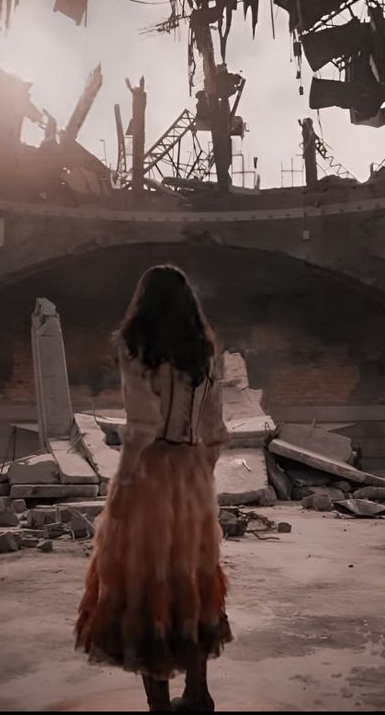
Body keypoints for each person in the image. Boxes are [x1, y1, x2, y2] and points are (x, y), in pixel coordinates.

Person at [75, 265, 232, 712]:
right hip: (193, 475)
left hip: (149, 475)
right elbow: (215, 429)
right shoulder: (204, 351)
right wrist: (201, 471)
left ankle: (159, 708)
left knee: (145, 587)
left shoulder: (135, 346)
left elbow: (142, 425)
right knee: (193, 581)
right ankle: (199, 695)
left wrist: (122, 484)